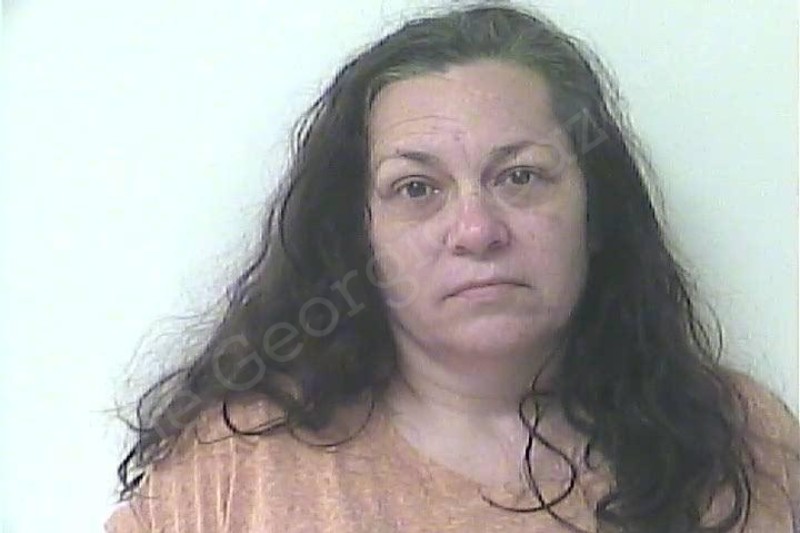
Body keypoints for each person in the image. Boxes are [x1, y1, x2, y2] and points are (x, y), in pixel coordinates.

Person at [106, 3, 799, 532]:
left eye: (521, 176)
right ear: (361, 234)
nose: (476, 230)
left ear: (596, 212)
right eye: (417, 188)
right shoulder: (234, 471)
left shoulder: (742, 444)